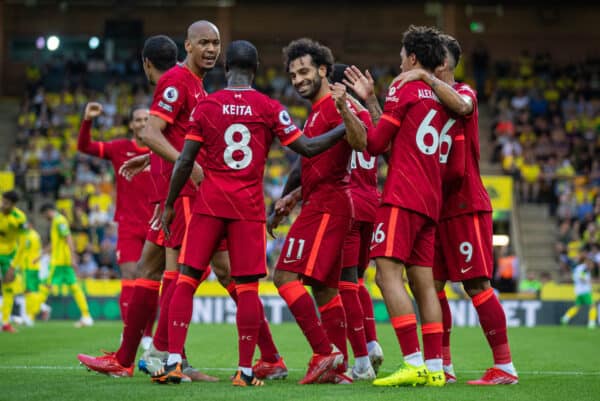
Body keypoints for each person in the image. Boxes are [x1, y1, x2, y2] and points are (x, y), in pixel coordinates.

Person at [158, 40, 355, 387]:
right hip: (248, 209)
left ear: (225, 68)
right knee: (247, 289)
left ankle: (173, 362)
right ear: (256, 68)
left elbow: (185, 160)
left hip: (209, 204)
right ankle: (245, 371)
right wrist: (351, 126)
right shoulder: (269, 107)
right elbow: (307, 148)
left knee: (186, 280)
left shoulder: (206, 105)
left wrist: (171, 202)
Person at [78, 33, 216, 381]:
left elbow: (161, 135)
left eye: (215, 44)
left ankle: (168, 356)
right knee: (150, 271)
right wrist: (147, 157)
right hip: (171, 195)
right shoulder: (193, 85)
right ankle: (134, 357)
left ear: (145, 63)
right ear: (187, 47)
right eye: (206, 43)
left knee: (182, 275)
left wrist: (188, 167)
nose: (211, 50)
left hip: (183, 192)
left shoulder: (177, 81)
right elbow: (174, 136)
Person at [391, 33, 519, 385]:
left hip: (465, 205)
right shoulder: (423, 101)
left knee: (476, 283)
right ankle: (442, 365)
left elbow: (463, 109)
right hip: (434, 207)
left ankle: (505, 366)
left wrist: (423, 77)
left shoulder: (464, 93)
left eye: (435, 60)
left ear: (443, 64)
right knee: (430, 285)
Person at [343, 25, 449, 387]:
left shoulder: (404, 89)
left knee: (385, 273)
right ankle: (435, 368)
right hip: (430, 199)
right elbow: (395, 146)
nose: (400, 61)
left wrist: (362, 103)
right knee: (424, 284)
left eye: (402, 55)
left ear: (413, 57)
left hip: (403, 196)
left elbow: (373, 145)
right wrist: (372, 99)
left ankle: (412, 361)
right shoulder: (439, 96)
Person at [267, 37, 369, 385]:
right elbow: (312, 164)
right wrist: (293, 196)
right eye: (293, 74)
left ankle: (324, 352)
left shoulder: (336, 105)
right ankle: (337, 370)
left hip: (329, 204)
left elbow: (361, 141)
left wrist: (345, 109)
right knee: (325, 290)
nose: (298, 79)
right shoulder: (315, 112)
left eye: (305, 71)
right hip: (322, 202)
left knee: (284, 277)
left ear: (324, 70)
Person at [77, 102, 156, 346]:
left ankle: (148, 336)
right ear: (131, 125)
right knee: (130, 275)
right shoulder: (120, 148)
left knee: (152, 280)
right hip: (129, 225)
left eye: (146, 119)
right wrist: (88, 120)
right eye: (138, 119)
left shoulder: (163, 149)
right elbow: (84, 146)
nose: (142, 123)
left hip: (156, 223)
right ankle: (129, 332)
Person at [40, 203, 93, 328]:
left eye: (43, 215)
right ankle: (86, 316)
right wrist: (41, 255)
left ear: (47, 211)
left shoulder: (59, 220)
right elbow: (56, 243)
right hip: (62, 261)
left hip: (59, 262)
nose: (44, 218)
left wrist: (73, 257)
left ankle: (30, 314)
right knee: (75, 288)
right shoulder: (57, 221)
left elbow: (68, 238)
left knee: (45, 285)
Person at [0, 191, 27, 333]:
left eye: (6, 203)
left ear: (13, 205)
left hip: (8, 255)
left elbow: (22, 245)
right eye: (2, 201)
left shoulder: (20, 218)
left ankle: (5, 323)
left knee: (8, 289)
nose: (2, 205)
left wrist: (13, 266)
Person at [13, 223, 48, 325]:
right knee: (30, 291)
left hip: (30, 266)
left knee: (29, 291)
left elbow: (24, 251)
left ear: (31, 225)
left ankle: (30, 315)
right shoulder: (33, 235)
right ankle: (30, 315)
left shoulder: (30, 236)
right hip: (31, 266)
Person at [561, 254, 597, 329]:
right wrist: (590, 281)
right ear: (588, 262)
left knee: (577, 306)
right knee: (592, 305)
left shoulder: (580, 268)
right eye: (592, 265)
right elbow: (581, 278)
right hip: (584, 291)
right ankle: (592, 323)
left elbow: (577, 277)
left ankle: (565, 318)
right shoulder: (583, 268)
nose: (592, 267)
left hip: (578, 291)